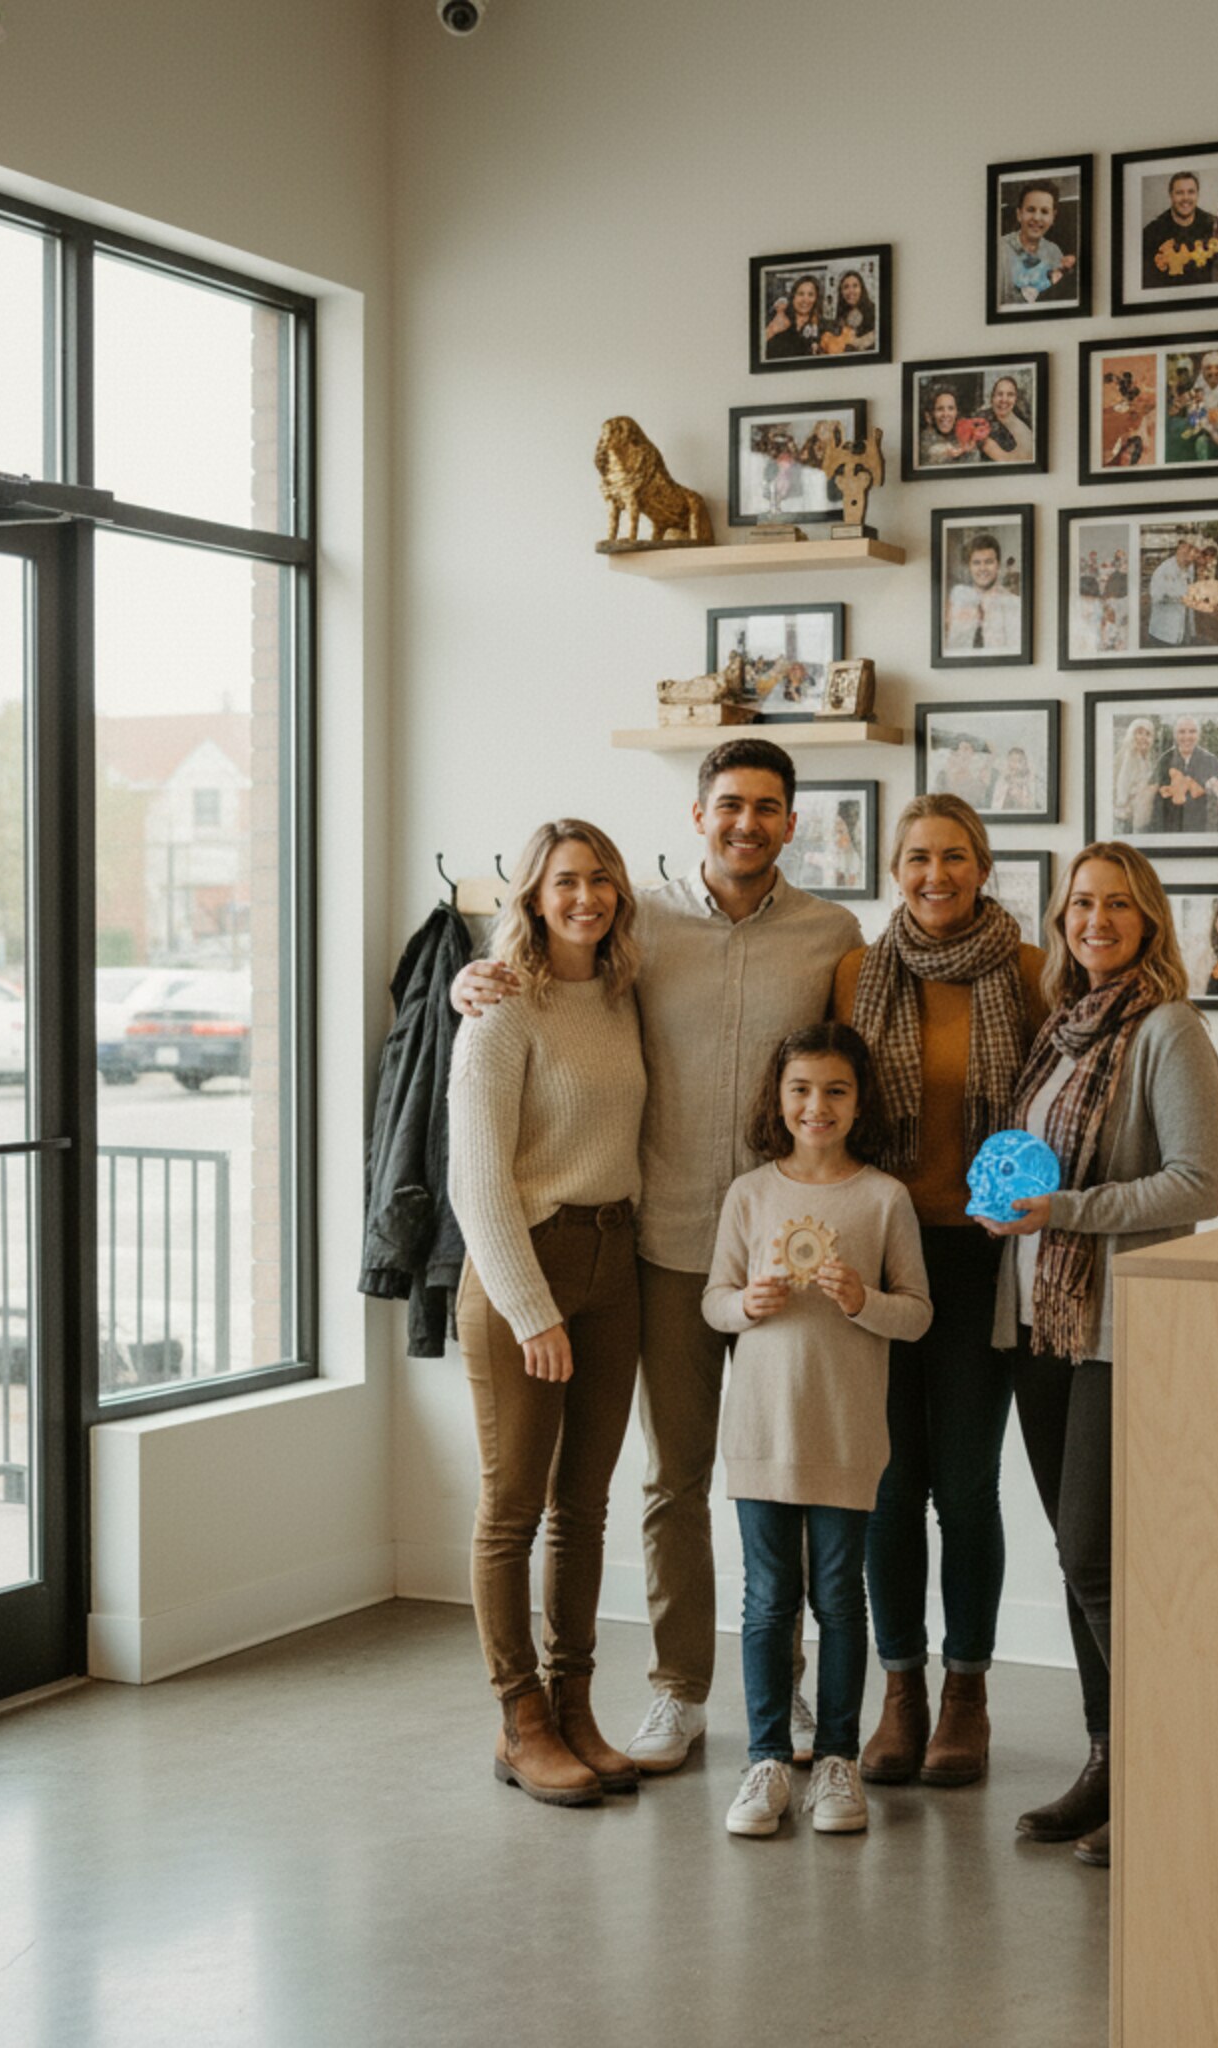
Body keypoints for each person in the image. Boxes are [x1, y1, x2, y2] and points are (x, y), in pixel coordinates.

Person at [451, 739, 861, 1778]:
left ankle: (784, 1680)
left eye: (766, 806)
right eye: (729, 804)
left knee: (788, 1480)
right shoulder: (642, 930)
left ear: (790, 822)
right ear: (697, 815)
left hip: (786, 1254)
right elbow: (540, 985)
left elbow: (851, 1075)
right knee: (673, 1480)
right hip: (664, 1250)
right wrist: (472, 978)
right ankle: (677, 1689)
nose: (745, 823)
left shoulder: (831, 935)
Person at [983, 843, 1218, 1868]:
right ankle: (1106, 1761)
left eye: (1118, 904)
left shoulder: (1169, 1030)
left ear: (1149, 919)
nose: (1096, 919)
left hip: (1121, 1325)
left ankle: (1162, 1772)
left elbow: (1198, 1184)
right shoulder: (1058, 1028)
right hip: (1042, 1320)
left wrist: (1066, 1209)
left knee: (1095, 1555)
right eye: (1080, 902)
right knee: (1077, 1554)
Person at [838, 796, 1049, 1790]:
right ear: (894, 869)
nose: (936, 874)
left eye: (955, 856)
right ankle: (901, 1691)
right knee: (888, 1484)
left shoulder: (1032, 970)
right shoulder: (854, 973)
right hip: (877, 1250)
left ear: (983, 865)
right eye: (918, 857)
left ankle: (966, 1691)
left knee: (964, 1484)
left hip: (979, 1256)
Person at [448, 819, 648, 1807]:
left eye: (601, 879)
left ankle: (574, 1702)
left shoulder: (621, 994)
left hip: (616, 1262)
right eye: (566, 881)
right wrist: (532, 1310)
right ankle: (518, 1716)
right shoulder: (498, 1012)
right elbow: (475, 1180)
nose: (586, 897)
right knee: (513, 1506)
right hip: (523, 1266)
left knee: (585, 1505)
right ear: (531, 896)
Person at [704, 1023, 932, 1837]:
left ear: (861, 1102)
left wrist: (863, 1301)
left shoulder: (884, 1199)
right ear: (778, 1098)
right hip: (762, 1434)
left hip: (845, 1436)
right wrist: (745, 1305)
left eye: (836, 1090)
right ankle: (767, 1760)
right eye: (800, 1089)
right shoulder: (749, 1194)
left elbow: (918, 1314)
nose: (817, 1105)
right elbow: (714, 1300)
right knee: (768, 1602)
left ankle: (837, 1760)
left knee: (839, 1599)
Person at [997, 178, 1077, 308]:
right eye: (1030, 209)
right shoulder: (999, 250)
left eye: (1045, 211)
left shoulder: (1054, 251)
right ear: (1019, 214)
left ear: (1053, 217)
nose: (1037, 217)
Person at [943, 531, 1023, 652]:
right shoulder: (956, 605)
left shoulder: (1015, 605)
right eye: (976, 563)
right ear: (969, 567)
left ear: (998, 565)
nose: (982, 568)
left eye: (989, 562)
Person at [1141, 168, 1218, 290]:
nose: (1185, 198)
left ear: (1197, 194)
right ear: (1171, 195)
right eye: (1179, 193)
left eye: (1191, 192)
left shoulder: (1213, 225)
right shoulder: (1151, 233)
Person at [1152, 714, 1218, 833]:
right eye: (1182, 732)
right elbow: (1156, 801)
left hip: (1201, 828)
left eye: (1192, 731)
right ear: (1175, 735)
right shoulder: (1165, 760)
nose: (1187, 736)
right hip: (1171, 828)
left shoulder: (1211, 761)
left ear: (1199, 735)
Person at [1145, 534, 1196, 648]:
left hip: (1183, 630)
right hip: (1164, 633)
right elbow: (1156, 596)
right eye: (1188, 554)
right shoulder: (1163, 570)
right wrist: (1179, 598)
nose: (1190, 563)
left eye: (1193, 557)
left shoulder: (1190, 567)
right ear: (1180, 550)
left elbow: (1189, 589)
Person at [1112, 717, 1159, 835]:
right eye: (1140, 733)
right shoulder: (1128, 757)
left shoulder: (1147, 758)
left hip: (1138, 812)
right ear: (1132, 735)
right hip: (1125, 815)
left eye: (1148, 734)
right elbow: (1122, 787)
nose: (1143, 738)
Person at [763, 274, 826, 360]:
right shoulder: (776, 317)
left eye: (810, 295)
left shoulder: (822, 327)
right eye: (801, 294)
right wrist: (772, 330)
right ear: (793, 297)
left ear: (816, 298)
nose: (805, 299)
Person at [979, 374, 1036, 464]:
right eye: (999, 394)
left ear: (1015, 399)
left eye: (1010, 395)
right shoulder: (980, 420)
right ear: (993, 397)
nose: (1004, 399)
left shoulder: (1024, 420)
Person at [934, 736, 999, 811]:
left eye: (966, 750)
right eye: (956, 753)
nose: (962, 754)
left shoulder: (979, 783)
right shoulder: (942, 777)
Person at [919, 386, 975, 467]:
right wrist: (946, 451)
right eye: (940, 409)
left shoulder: (964, 433)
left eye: (951, 408)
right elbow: (929, 453)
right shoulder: (923, 439)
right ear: (929, 416)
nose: (946, 414)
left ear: (957, 413)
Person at [831, 268, 879, 351]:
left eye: (855, 286)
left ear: (861, 289)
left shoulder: (874, 310)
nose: (851, 291)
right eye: (846, 287)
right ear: (841, 292)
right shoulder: (841, 315)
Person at [991, 745, 1041, 813]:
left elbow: (1033, 806)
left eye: (1019, 761)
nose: (1014, 764)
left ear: (1024, 763)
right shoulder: (1002, 780)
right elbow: (996, 804)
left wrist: (1019, 796)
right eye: (1012, 760)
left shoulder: (1030, 781)